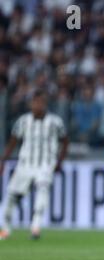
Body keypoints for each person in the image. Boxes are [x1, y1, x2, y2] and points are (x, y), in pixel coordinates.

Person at [0, 90, 69, 240]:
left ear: (45, 104)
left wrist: (59, 161)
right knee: (11, 195)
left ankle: (35, 227)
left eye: (41, 102)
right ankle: (5, 229)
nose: (38, 105)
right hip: (25, 164)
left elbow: (65, 141)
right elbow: (13, 142)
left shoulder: (55, 122)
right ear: (31, 104)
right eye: (35, 102)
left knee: (42, 190)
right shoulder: (23, 121)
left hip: (45, 164)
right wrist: (3, 160)